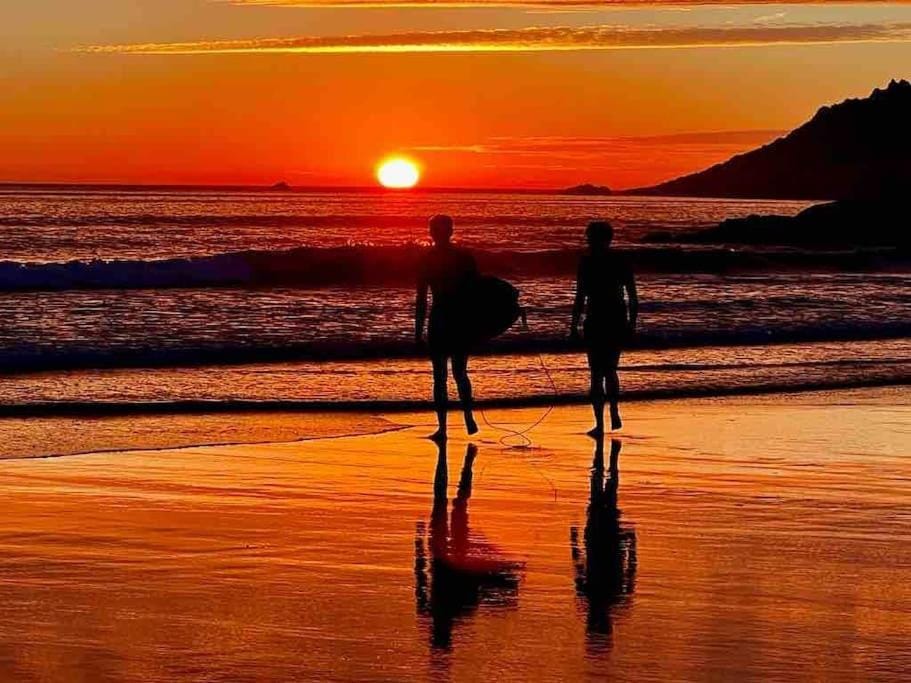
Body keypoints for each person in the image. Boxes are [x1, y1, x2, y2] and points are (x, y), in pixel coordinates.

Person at [570, 221, 638, 436]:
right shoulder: (621, 261)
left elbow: (580, 297)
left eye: (589, 236)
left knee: (597, 373)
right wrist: (631, 324)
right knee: (610, 370)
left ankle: (599, 424)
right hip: (616, 317)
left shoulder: (587, 262)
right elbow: (633, 296)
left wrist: (573, 326)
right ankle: (614, 412)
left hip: (597, 318)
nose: (587, 240)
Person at [415, 214, 480, 441]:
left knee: (440, 377)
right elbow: (477, 292)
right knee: (460, 373)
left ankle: (442, 428)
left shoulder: (427, 259)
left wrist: (417, 331)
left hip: (440, 318)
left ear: (432, 233)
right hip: (460, 319)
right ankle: (468, 417)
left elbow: (422, 298)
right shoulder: (464, 257)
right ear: (450, 232)